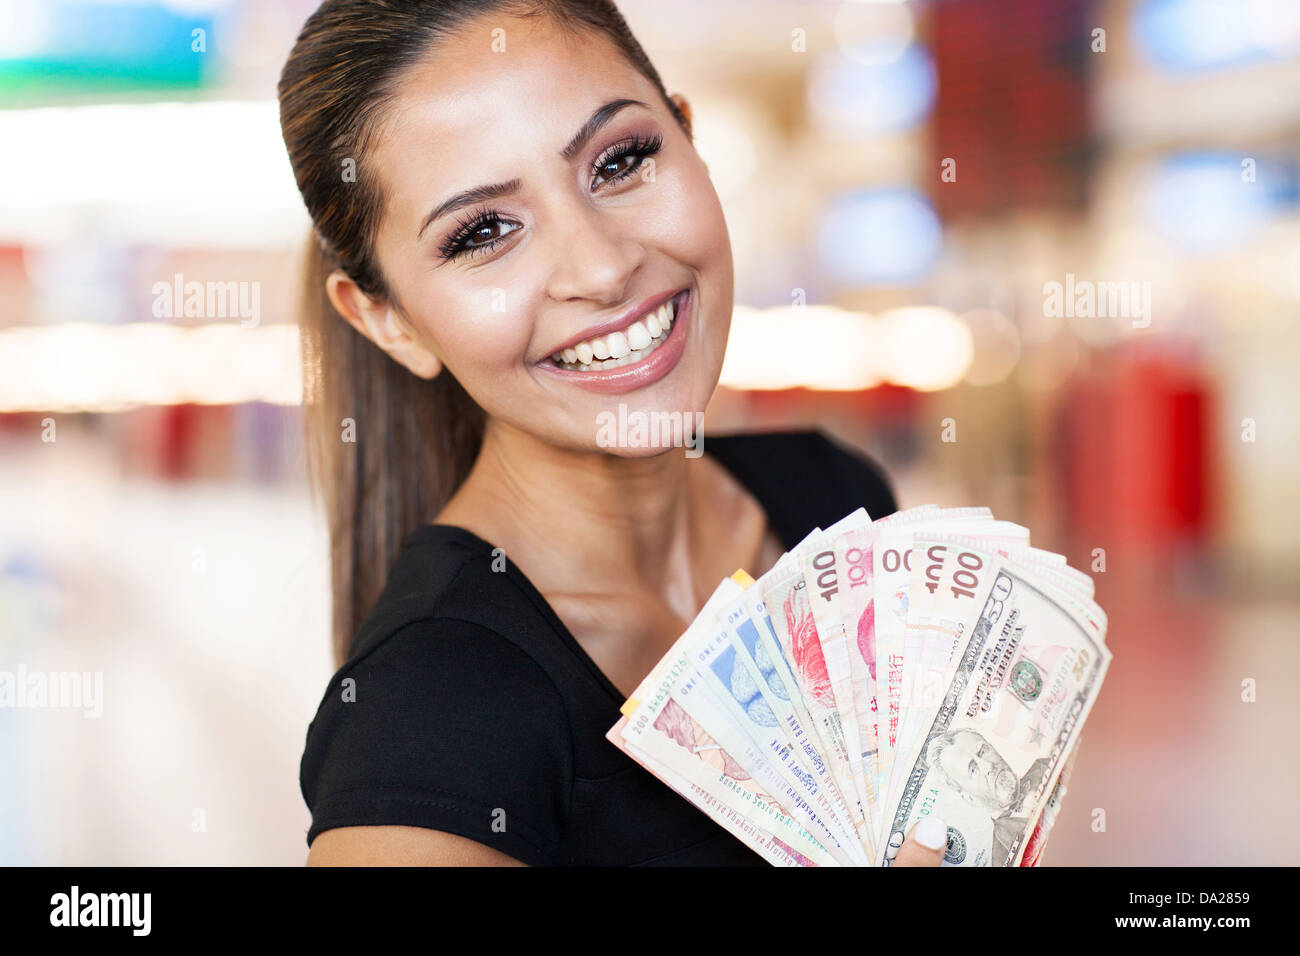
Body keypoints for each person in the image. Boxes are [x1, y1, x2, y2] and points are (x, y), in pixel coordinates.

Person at [280, 0, 941, 867]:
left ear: (689, 138)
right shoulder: (424, 719)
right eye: (483, 233)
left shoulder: (833, 499)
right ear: (386, 322)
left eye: (621, 160)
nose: (602, 267)